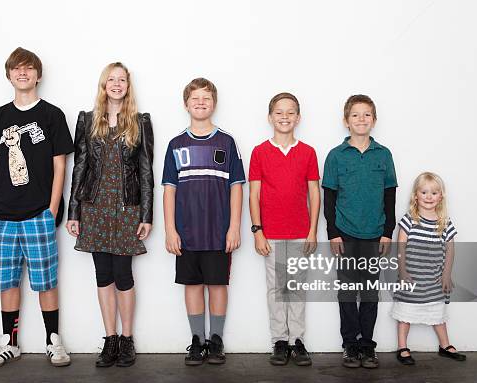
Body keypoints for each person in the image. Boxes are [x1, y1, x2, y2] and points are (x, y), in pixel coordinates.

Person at [0, 47, 74, 368]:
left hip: (38, 213)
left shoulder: (52, 115)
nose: (23, 73)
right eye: (17, 69)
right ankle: (10, 342)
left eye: (29, 68)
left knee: (45, 279)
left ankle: (53, 341)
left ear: (38, 75)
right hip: (1, 215)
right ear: (9, 75)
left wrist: (51, 210)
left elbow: (60, 166)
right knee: (7, 281)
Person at [66, 62, 154, 367]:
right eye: (111, 79)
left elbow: (145, 171)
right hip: (95, 207)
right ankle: (110, 339)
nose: (116, 84)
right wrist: (73, 210)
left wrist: (146, 214)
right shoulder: (88, 120)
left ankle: (127, 340)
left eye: (122, 80)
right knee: (103, 275)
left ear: (128, 86)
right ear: (104, 85)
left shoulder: (140, 122)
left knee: (123, 275)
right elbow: (80, 167)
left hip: (127, 209)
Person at [162, 78, 245, 366]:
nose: (200, 102)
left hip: (218, 231)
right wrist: (170, 230)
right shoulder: (176, 144)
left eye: (206, 98)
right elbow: (169, 190)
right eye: (195, 98)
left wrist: (234, 226)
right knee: (193, 285)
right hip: (186, 232)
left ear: (214, 103)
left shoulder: (227, 142)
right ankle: (197, 340)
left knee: (218, 284)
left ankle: (216, 339)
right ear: (186, 104)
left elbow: (236, 187)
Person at [322, 94, 397, 369]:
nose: (361, 119)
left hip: (374, 233)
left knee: (369, 292)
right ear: (346, 121)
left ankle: (367, 345)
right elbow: (329, 197)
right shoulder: (335, 156)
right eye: (355, 115)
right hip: (345, 232)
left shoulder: (384, 154)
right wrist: (333, 232)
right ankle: (350, 345)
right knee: (347, 290)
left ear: (374, 121)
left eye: (367, 115)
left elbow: (390, 196)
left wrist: (387, 231)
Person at [249, 93, 320, 366]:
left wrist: (313, 230)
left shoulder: (308, 152)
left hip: (301, 232)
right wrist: (258, 231)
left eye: (290, 112)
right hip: (272, 233)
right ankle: (279, 340)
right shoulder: (260, 152)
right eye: (279, 112)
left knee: (297, 288)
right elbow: (253, 195)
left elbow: (314, 194)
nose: (285, 117)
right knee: (277, 289)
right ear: (270, 117)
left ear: (298, 118)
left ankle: (297, 341)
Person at [391, 172, 466, 364]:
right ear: (416, 195)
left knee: (437, 313)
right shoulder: (410, 219)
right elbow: (400, 246)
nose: (429, 196)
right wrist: (403, 271)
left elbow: (450, 249)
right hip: (412, 278)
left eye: (434, 193)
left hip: (434, 278)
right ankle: (402, 346)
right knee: (405, 313)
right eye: (424, 192)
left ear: (441, 196)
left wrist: (446, 275)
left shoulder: (445, 223)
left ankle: (445, 345)